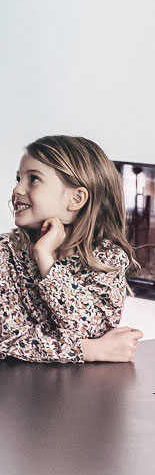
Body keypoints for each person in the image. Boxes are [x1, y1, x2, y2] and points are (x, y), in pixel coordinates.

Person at [2, 136, 143, 363]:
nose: (17, 189)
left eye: (34, 179)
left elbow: (88, 330)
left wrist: (46, 260)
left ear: (76, 198)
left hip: (84, 391)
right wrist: (89, 351)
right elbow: (6, 341)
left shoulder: (107, 259)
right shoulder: (5, 254)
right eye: (18, 179)